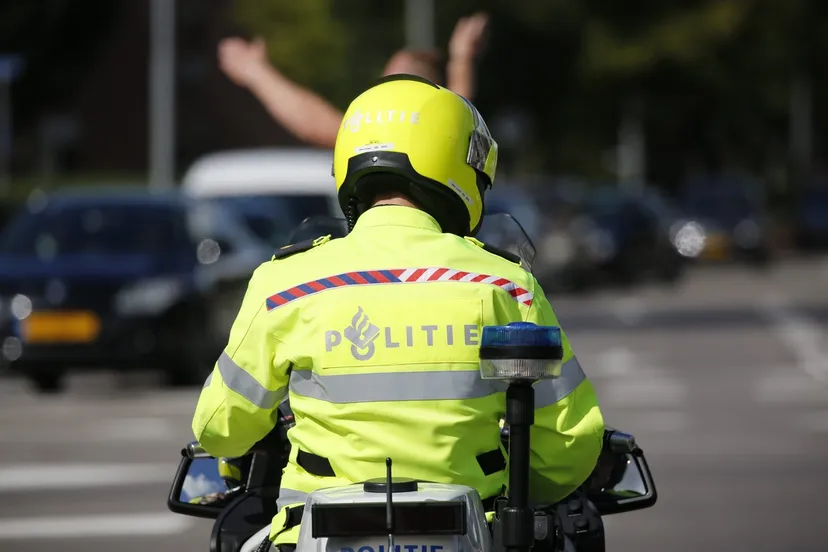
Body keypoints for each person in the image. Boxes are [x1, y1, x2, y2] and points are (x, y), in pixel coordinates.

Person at [192, 74, 605, 551]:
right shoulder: (502, 284)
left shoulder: (286, 284)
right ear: (455, 163)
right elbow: (569, 445)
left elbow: (219, 430)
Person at [217, 13, 489, 148]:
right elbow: (315, 122)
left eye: (395, 82)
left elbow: (315, 123)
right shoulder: (386, 134)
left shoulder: (436, 130)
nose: (383, 93)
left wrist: (256, 72)